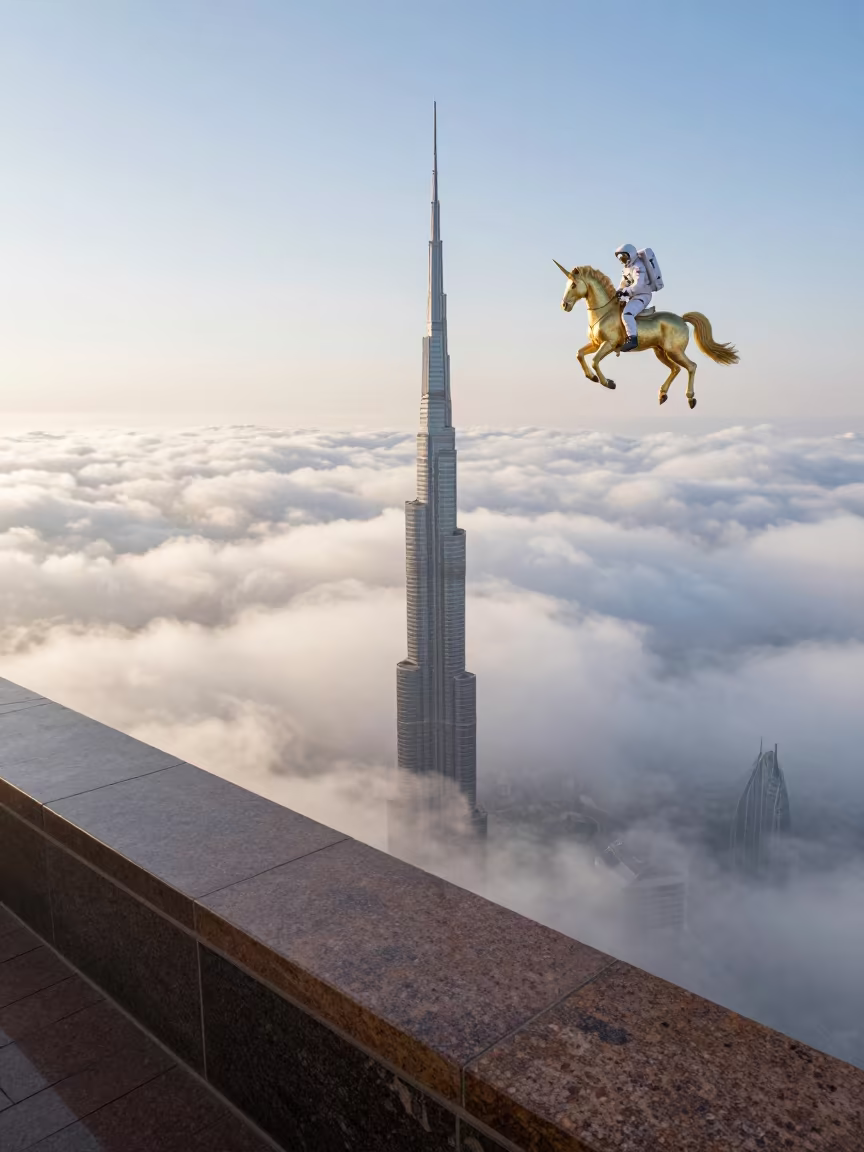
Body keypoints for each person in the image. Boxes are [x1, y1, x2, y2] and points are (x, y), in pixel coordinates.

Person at [614, 243, 652, 352]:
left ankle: (632, 339)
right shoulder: (626, 268)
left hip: (642, 295)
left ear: (630, 255)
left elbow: (639, 285)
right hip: (632, 295)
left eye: (624, 257)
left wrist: (625, 292)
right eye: (620, 258)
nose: (622, 260)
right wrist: (617, 293)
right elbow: (622, 283)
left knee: (627, 314)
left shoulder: (638, 266)